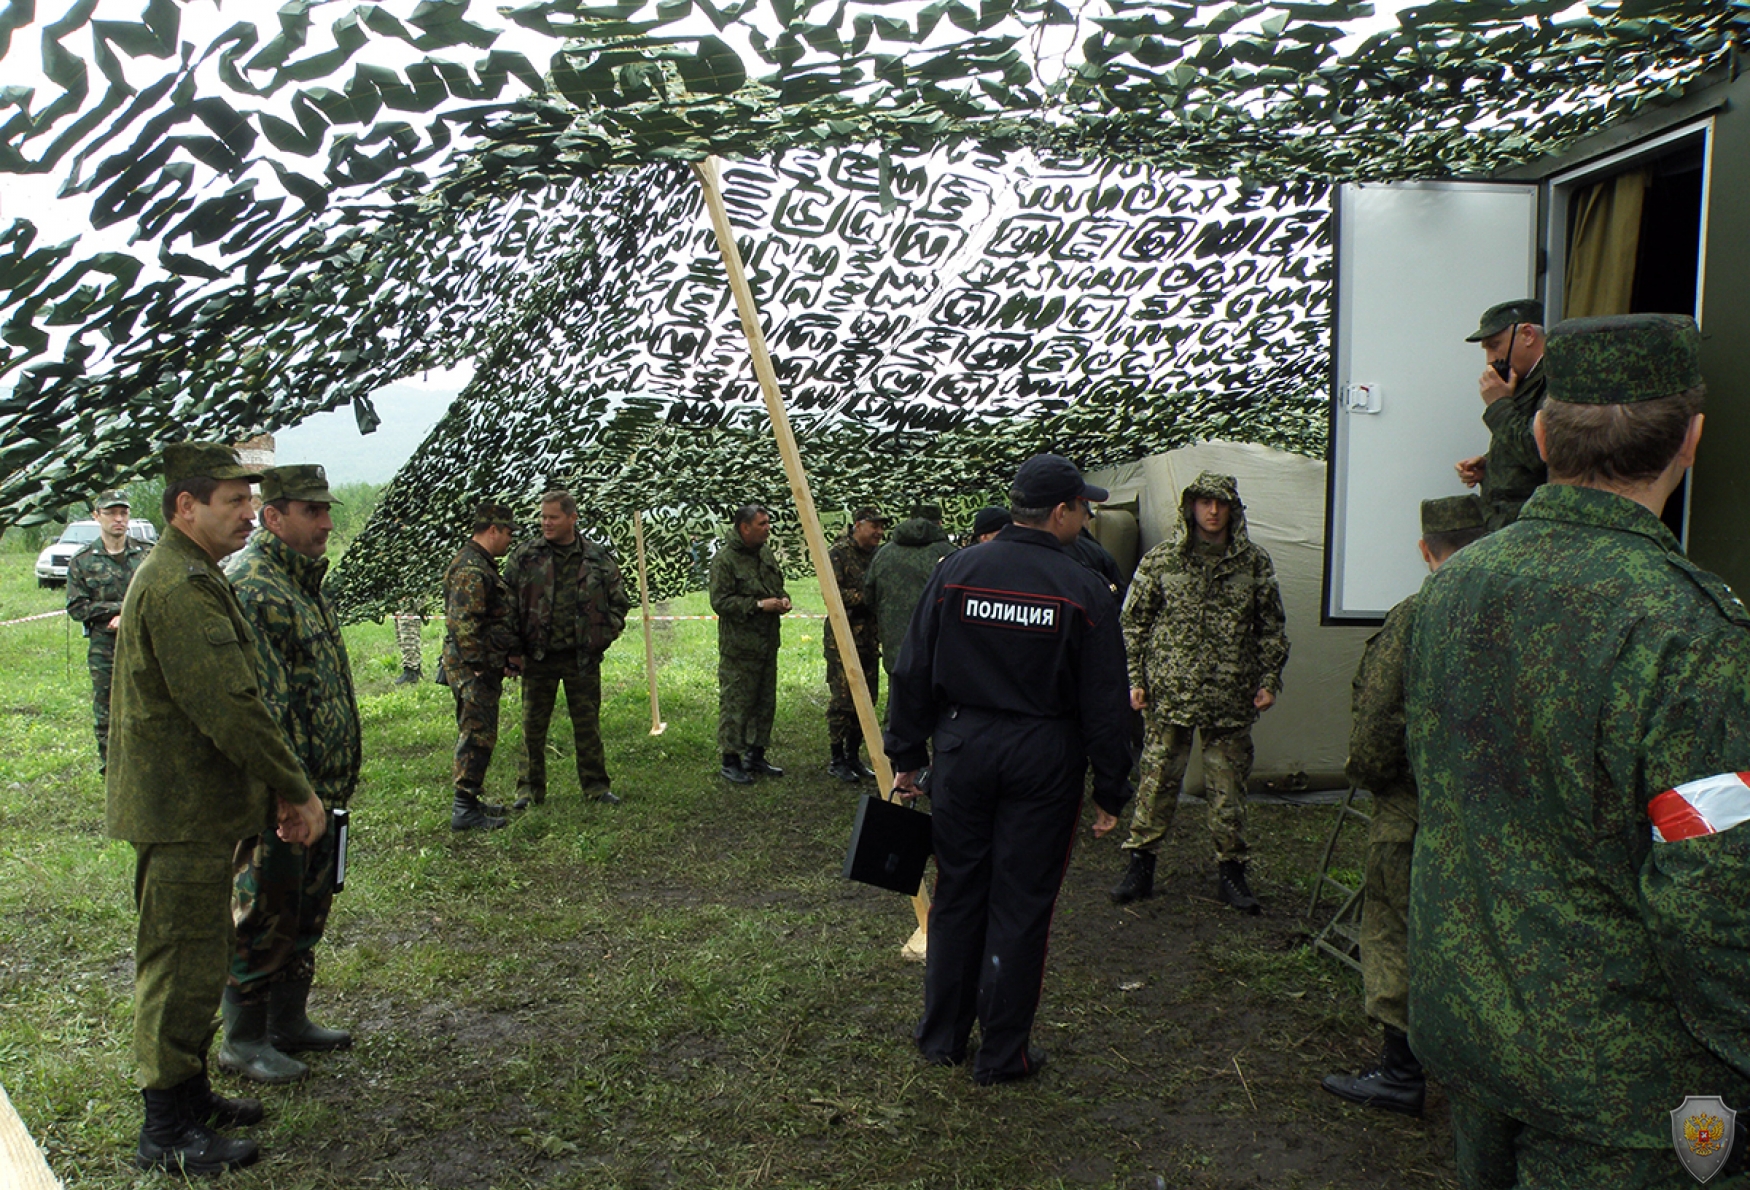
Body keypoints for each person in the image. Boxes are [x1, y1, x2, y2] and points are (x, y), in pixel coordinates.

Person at [1406, 313, 1750, 1186]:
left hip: (1473, 1023)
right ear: (1693, 440)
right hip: (1626, 1084)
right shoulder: (1688, 628)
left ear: (1540, 434)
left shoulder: (1454, 588)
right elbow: (1711, 891)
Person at [106, 442, 325, 1174]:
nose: (244, 514)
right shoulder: (176, 585)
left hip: (198, 809)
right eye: (232, 501)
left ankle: (191, 1096)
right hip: (180, 815)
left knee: (200, 962)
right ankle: (164, 1129)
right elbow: (231, 707)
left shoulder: (194, 573)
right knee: (176, 968)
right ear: (185, 507)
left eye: (246, 500)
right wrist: (295, 787)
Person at [886, 453, 1131, 1085]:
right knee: (1021, 905)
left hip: (963, 749)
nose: (1086, 516)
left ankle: (940, 1036)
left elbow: (912, 669)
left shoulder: (957, 571)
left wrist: (908, 757)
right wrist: (1111, 786)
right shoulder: (1082, 589)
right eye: (1083, 506)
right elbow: (1105, 700)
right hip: (1043, 758)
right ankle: (1002, 1053)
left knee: (959, 892)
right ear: (1060, 512)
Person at [1319, 494, 1485, 1118]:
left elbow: (1378, 722)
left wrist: (1372, 777)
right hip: (1501, 815)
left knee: (1395, 925)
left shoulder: (1418, 616)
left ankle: (1400, 1072)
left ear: (1426, 551)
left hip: (1415, 808)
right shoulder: (1526, 614)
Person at [219, 465, 362, 1087]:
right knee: (266, 910)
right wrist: (287, 791)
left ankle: (288, 1021)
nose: (327, 522)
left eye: (326, 509)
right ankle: (243, 1039)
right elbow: (261, 708)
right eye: (312, 511)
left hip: (321, 788)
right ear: (274, 517)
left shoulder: (302, 583)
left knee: (307, 906)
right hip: (284, 793)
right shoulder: (254, 586)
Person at [1110, 472, 1289, 914]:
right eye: (1204, 502)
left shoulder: (1253, 563)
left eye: (1221, 503)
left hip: (1230, 696)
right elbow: (1134, 622)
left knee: (1228, 789)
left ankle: (1232, 870)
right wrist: (1135, 678)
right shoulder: (1162, 560)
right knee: (1155, 783)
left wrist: (1268, 680)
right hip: (1170, 693)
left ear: (1233, 508)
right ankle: (1140, 865)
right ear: (1190, 507)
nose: (1212, 512)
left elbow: (1271, 626)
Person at [502, 490, 630, 809]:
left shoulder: (598, 557)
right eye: (543, 517)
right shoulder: (526, 555)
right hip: (538, 657)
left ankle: (596, 788)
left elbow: (619, 602)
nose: (546, 523)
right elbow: (506, 604)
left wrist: (603, 634)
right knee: (533, 727)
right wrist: (513, 649)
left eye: (553, 517)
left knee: (588, 726)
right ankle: (529, 791)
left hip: (581, 658)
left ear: (572, 518)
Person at [441, 501, 521, 831]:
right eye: (507, 533)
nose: (510, 540)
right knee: (476, 734)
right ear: (492, 530)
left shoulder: (480, 564)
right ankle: (464, 809)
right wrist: (476, 665)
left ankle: (471, 801)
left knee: (482, 732)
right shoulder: (472, 569)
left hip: (482, 664)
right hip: (473, 668)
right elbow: (463, 623)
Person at [65, 488, 151, 771]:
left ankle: (147, 768)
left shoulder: (147, 554)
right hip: (105, 646)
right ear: (96, 516)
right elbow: (77, 607)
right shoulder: (83, 560)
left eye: (123, 513)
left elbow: (157, 597)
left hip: (145, 642)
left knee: (148, 706)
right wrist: (118, 610)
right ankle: (111, 770)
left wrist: (126, 613)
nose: (118, 519)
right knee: (107, 710)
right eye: (111, 513)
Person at [710, 503, 790, 784]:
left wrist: (782, 599)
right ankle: (730, 758)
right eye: (762, 524)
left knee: (765, 701)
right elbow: (720, 602)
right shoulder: (725, 559)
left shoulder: (764, 553)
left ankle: (756, 754)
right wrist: (757, 605)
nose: (768, 528)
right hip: (740, 648)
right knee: (737, 703)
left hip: (767, 643)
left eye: (768, 523)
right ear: (744, 528)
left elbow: (775, 584)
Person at [1453, 298, 1548, 531]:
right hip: (1510, 522)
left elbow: (1540, 454)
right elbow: (1522, 442)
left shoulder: (1555, 382)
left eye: (1495, 345)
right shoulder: (1524, 380)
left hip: (1533, 525)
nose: (1490, 360)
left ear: (1527, 334)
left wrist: (1498, 405)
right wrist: (1492, 465)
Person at [824, 506, 887, 783]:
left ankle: (854, 755)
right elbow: (834, 593)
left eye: (882, 527)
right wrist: (870, 597)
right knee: (843, 700)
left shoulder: (879, 556)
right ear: (858, 525)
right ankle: (837, 757)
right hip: (843, 637)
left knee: (867, 698)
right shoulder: (838, 553)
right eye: (874, 526)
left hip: (869, 637)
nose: (879, 532)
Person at [864, 503, 956, 679]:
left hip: (896, 652)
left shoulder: (884, 553)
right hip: (937, 653)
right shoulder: (951, 554)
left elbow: (869, 597)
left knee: (898, 701)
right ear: (940, 523)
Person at [392, 603, 426, 685]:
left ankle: (411, 670)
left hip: (409, 601)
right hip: (400, 601)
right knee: (402, 635)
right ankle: (415, 668)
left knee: (408, 634)